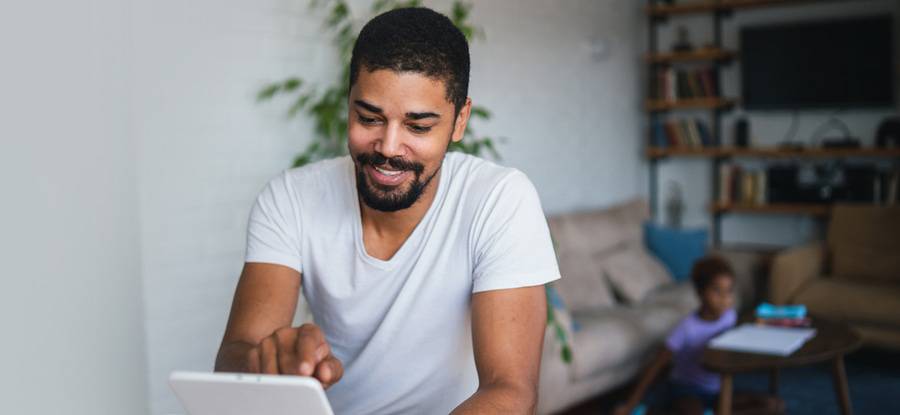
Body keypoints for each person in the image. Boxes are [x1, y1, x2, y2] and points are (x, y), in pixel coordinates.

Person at [214, 7, 561, 414]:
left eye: (418, 127)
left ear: (460, 120)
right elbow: (233, 359)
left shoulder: (499, 200)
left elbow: (510, 391)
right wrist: (266, 361)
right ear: (348, 104)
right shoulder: (290, 198)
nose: (388, 148)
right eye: (369, 118)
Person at [614, 256, 782, 415]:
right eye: (717, 291)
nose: (724, 298)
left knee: (774, 405)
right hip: (686, 389)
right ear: (700, 293)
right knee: (693, 411)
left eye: (729, 291)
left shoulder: (729, 317)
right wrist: (631, 404)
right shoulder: (687, 328)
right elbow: (656, 365)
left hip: (718, 390)